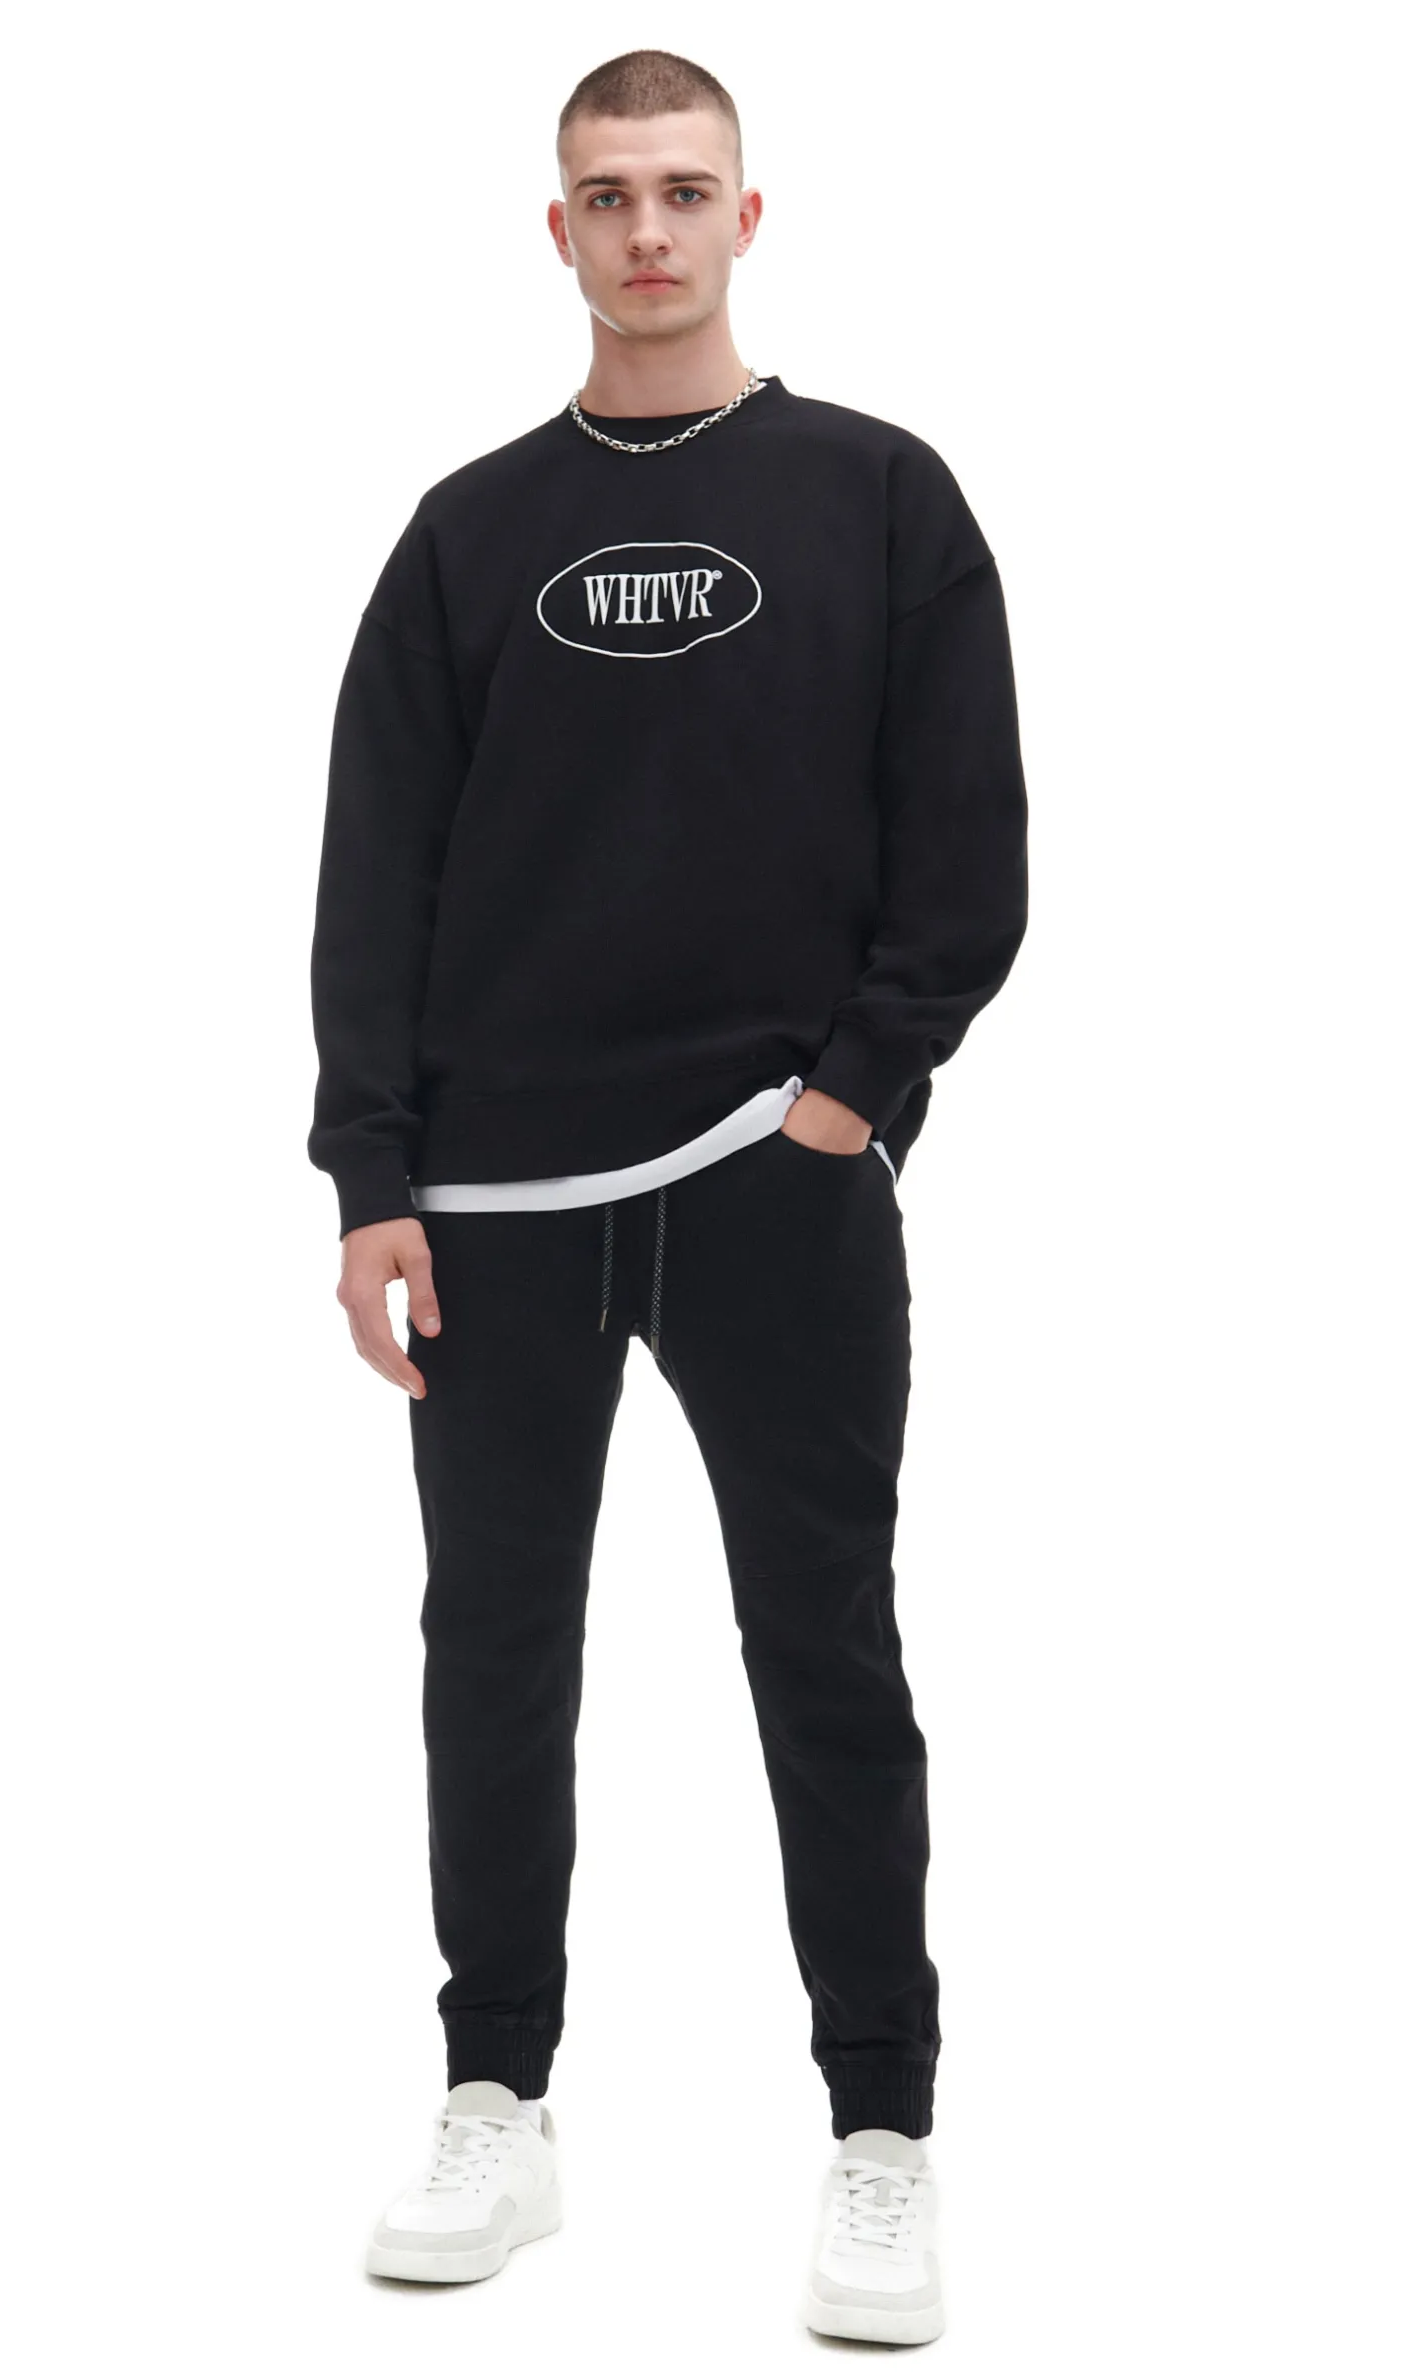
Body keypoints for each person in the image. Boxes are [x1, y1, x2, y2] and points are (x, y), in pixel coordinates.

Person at [310, 48, 1028, 2347]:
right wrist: (372, 1169)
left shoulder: (878, 497)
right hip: (492, 1198)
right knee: (491, 1651)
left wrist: (849, 1097)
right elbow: (375, 870)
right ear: (557, 230)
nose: (645, 230)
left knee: (822, 1642)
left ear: (745, 216)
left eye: (682, 191)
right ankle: (495, 2098)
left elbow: (965, 844)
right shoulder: (464, 533)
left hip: (767, 1177)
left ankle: (880, 2128)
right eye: (606, 195)